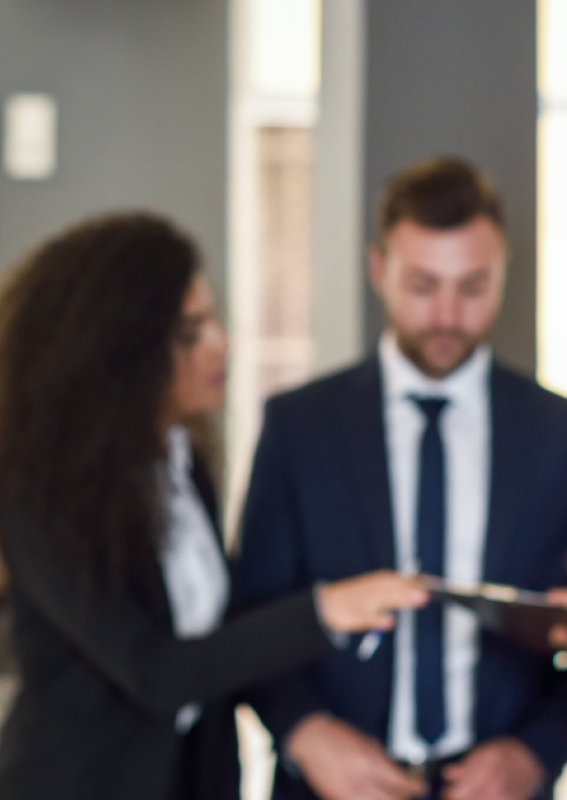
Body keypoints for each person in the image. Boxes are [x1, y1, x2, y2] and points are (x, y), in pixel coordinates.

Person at [0, 213, 428, 800]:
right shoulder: (39, 498)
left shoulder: (184, 465)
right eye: (189, 333)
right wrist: (326, 611)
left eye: (211, 319)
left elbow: (221, 643)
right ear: (121, 360)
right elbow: (156, 671)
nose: (221, 343)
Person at [236, 157, 567, 800]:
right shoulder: (299, 426)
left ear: (503, 273)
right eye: (422, 285)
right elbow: (252, 616)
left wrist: (538, 752)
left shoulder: (557, 432)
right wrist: (304, 734)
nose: (447, 314)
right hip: (327, 788)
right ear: (378, 270)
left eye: (473, 286)